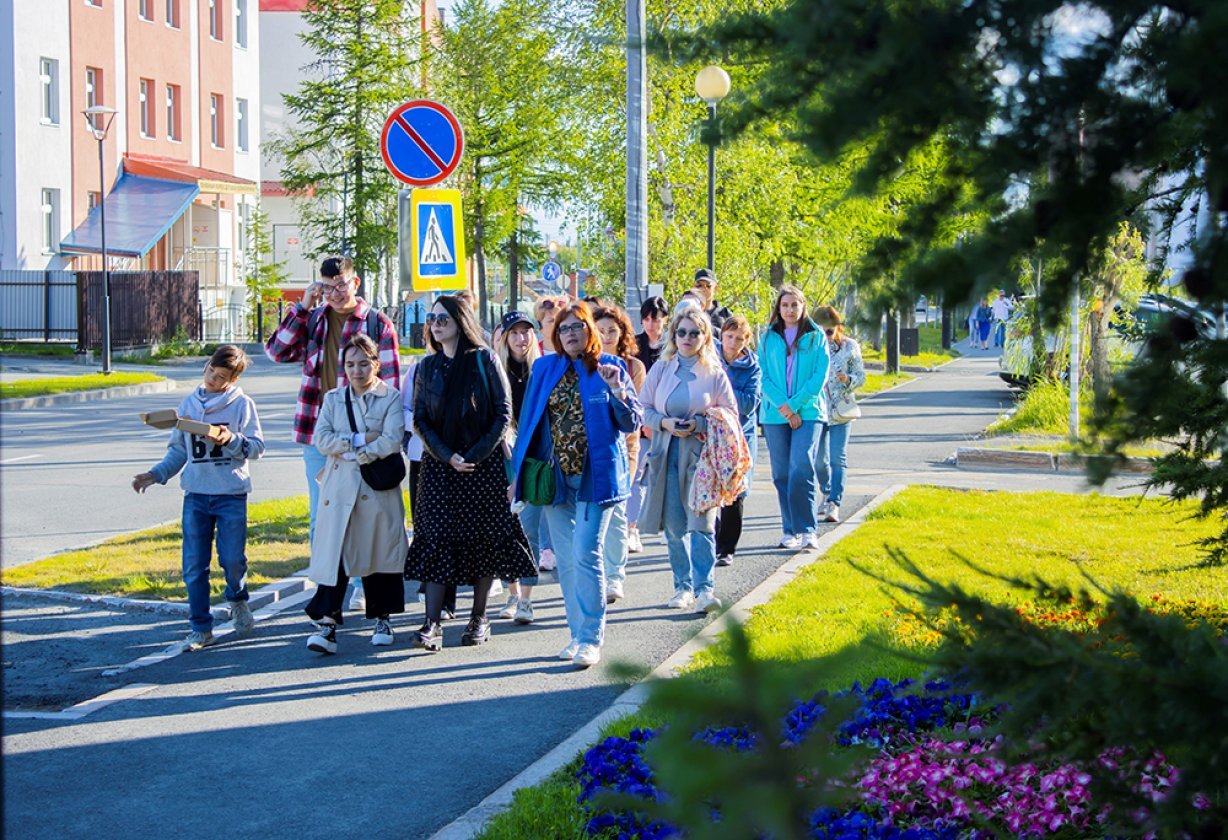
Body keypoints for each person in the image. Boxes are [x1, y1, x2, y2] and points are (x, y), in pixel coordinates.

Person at [508, 301, 642, 669]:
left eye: (576, 327)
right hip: (555, 480)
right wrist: (516, 477)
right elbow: (530, 423)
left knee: (586, 554)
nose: (569, 334)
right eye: (563, 329)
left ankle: (590, 638)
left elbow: (631, 423)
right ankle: (576, 632)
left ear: (589, 331)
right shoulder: (543, 367)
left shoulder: (610, 367)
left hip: (596, 479)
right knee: (566, 561)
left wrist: (619, 392)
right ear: (555, 335)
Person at [265, 255, 400, 612]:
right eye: (327, 288)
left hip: (364, 438)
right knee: (322, 515)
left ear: (355, 283)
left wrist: (380, 436)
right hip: (319, 432)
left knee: (362, 514)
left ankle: (360, 586)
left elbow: (391, 385)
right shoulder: (315, 320)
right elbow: (276, 352)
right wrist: (302, 309)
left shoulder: (377, 324)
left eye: (340, 285)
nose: (334, 294)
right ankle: (325, 586)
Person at [405, 295, 536, 651]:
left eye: (443, 318)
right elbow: (419, 419)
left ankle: (479, 618)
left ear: (461, 321)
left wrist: (473, 455)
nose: (436, 324)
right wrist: (448, 456)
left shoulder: (485, 360)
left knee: (484, 540)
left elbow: (501, 412)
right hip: (439, 466)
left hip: (483, 465)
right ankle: (431, 623)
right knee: (435, 539)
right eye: (432, 319)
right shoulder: (426, 367)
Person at [132, 345, 265, 651]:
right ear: (206, 365)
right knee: (194, 565)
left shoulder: (242, 405)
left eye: (221, 378)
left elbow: (257, 447)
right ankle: (201, 628)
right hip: (196, 495)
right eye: (211, 372)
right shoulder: (189, 404)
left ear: (232, 379)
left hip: (231, 493)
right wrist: (155, 475)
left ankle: (237, 598)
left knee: (232, 560)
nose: (213, 381)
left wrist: (229, 439)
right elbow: (178, 450)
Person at [302, 334, 408, 654]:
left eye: (364, 363)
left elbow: (390, 440)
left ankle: (382, 618)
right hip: (341, 488)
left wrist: (355, 452)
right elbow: (322, 439)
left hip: (375, 488)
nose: (357, 371)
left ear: (376, 364)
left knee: (379, 553)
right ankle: (327, 625)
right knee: (336, 554)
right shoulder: (334, 399)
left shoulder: (389, 397)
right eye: (350, 364)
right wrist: (360, 440)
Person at [638, 304, 738, 614]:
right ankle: (682, 586)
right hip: (666, 454)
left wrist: (699, 424)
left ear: (705, 337)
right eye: (681, 332)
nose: (687, 337)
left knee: (702, 525)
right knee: (674, 527)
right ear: (673, 335)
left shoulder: (714, 373)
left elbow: (731, 416)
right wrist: (665, 423)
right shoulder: (662, 368)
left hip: (702, 458)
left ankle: (704, 588)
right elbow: (643, 409)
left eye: (694, 333)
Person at [758, 284, 830, 550]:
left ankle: (808, 529)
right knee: (782, 473)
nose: (789, 310)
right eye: (785, 305)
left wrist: (796, 406)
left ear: (803, 306)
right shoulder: (767, 337)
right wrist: (784, 407)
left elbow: (819, 377)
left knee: (801, 465)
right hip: (775, 414)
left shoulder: (816, 336)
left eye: (794, 305)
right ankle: (790, 530)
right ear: (778, 308)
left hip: (809, 411)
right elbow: (763, 376)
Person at [492, 309, 545, 624]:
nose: (521, 338)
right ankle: (511, 592)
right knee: (503, 530)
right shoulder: (494, 369)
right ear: (505, 337)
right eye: (514, 332)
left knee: (529, 532)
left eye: (526, 332)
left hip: (534, 460)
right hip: (501, 458)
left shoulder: (541, 369)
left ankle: (526, 599)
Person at [593, 304, 647, 603]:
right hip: (593, 451)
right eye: (600, 330)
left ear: (622, 332)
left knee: (616, 514)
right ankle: (599, 572)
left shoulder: (632, 367)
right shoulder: (585, 365)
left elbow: (632, 416)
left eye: (612, 330)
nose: (606, 335)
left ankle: (615, 576)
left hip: (624, 446)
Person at [402, 345, 458, 621]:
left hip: (456, 458)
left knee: (449, 528)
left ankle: (447, 599)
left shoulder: (467, 367)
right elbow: (406, 409)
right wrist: (426, 430)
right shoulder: (418, 369)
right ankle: (428, 581)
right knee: (425, 524)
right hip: (421, 456)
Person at [715, 316, 762, 567]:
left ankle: (727, 547)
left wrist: (724, 383)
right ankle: (712, 539)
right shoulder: (709, 356)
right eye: (729, 336)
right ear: (721, 335)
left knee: (736, 491)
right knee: (712, 488)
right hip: (712, 433)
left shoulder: (752, 367)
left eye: (739, 338)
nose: (732, 343)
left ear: (747, 341)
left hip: (739, 435)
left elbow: (748, 404)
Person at [813, 307, 865, 525]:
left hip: (840, 411)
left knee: (837, 458)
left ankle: (835, 502)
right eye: (821, 330)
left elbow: (861, 376)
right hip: (816, 410)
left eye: (830, 331)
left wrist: (848, 380)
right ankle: (826, 491)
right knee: (818, 461)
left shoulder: (849, 347)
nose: (826, 334)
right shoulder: (811, 347)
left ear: (838, 328)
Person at [636, 296, 669, 373]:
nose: (650, 325)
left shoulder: (672, 343)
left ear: (665, 319)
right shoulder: (633, 344)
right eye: (646, 319)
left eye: (655, 320)